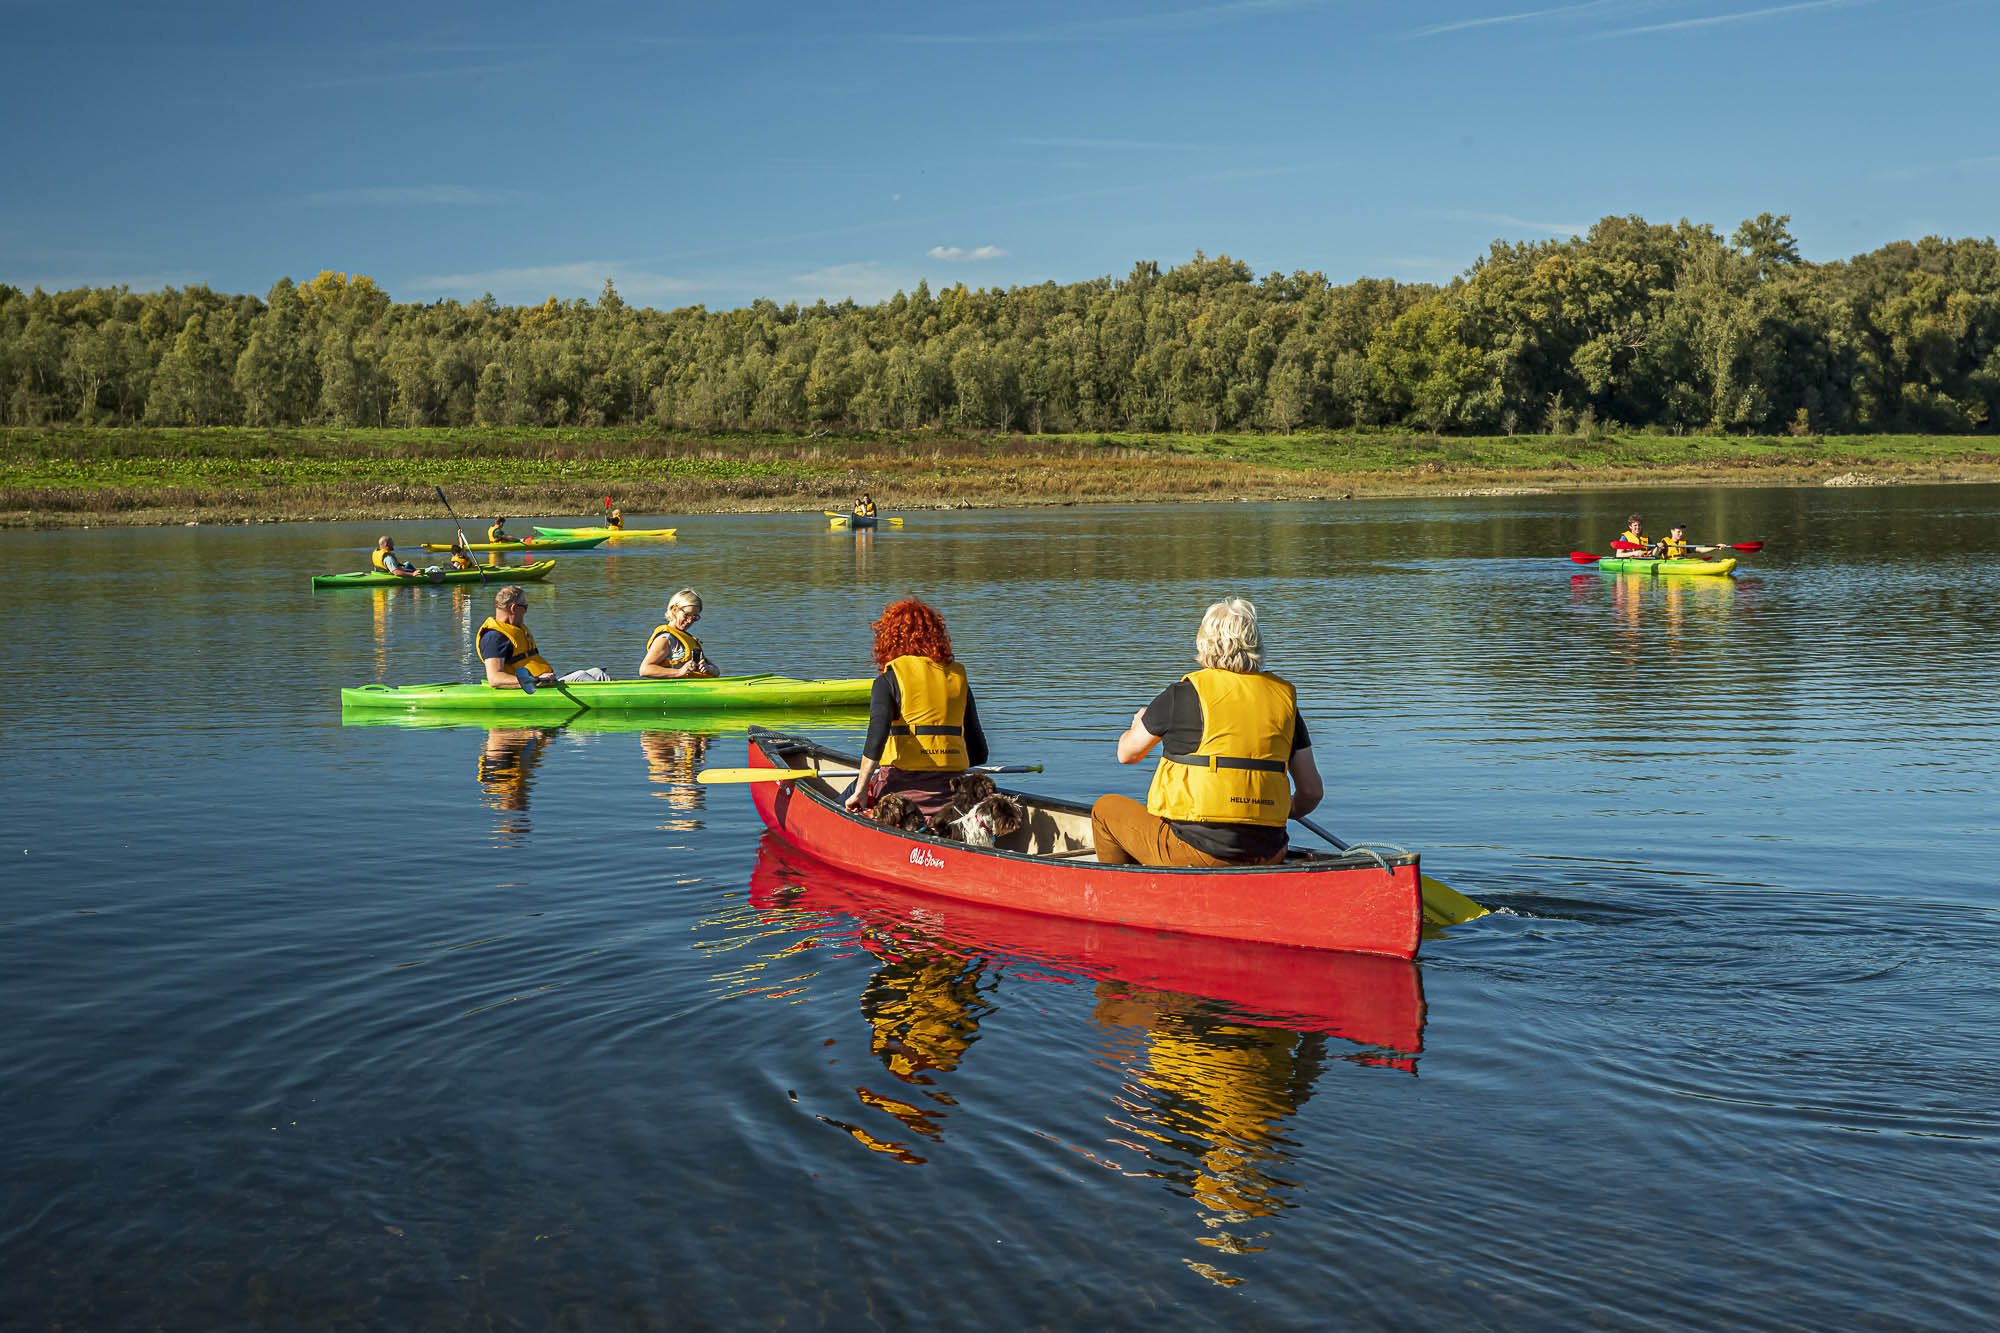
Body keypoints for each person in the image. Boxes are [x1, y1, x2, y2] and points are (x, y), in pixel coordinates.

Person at [1090, 597, 1322, 867]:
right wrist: (1281, 809)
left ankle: (1125, 895)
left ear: (1204, 643)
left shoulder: (1182, 695)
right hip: (1270, 852)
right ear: (1256, 644)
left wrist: (1135, 725)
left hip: (1197, 852)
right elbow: (1312, 792)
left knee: (1104, 810)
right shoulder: (1283, 703)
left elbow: (1126, 754)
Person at [843, 598, 988, 821]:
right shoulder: (957, 680)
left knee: (847, 798)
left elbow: (876, 741)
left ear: (888, 640)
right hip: (952, 795)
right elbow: (979, 754)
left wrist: (860, 791)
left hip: (901, 798)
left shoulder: (889, 680)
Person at [477, 585, 611, 689]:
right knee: (581, 676)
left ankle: (624, 692)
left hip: (546, 683)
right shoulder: (494, 638)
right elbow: (495, 679)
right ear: (513, 608)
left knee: (597, 672)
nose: (526, 611)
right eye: (525, 607)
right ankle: (615, 699)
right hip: (532, 687)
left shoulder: (517, 630)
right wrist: (536, 680)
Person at [639, 588, 719, 679]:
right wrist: (679, 672)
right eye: (687, 615)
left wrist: (709, 668)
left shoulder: (687, 639)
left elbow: (717, 671)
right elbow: (645, 669)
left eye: (694, 617)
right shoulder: (665, 639)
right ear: (674, 610)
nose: (689, 621)